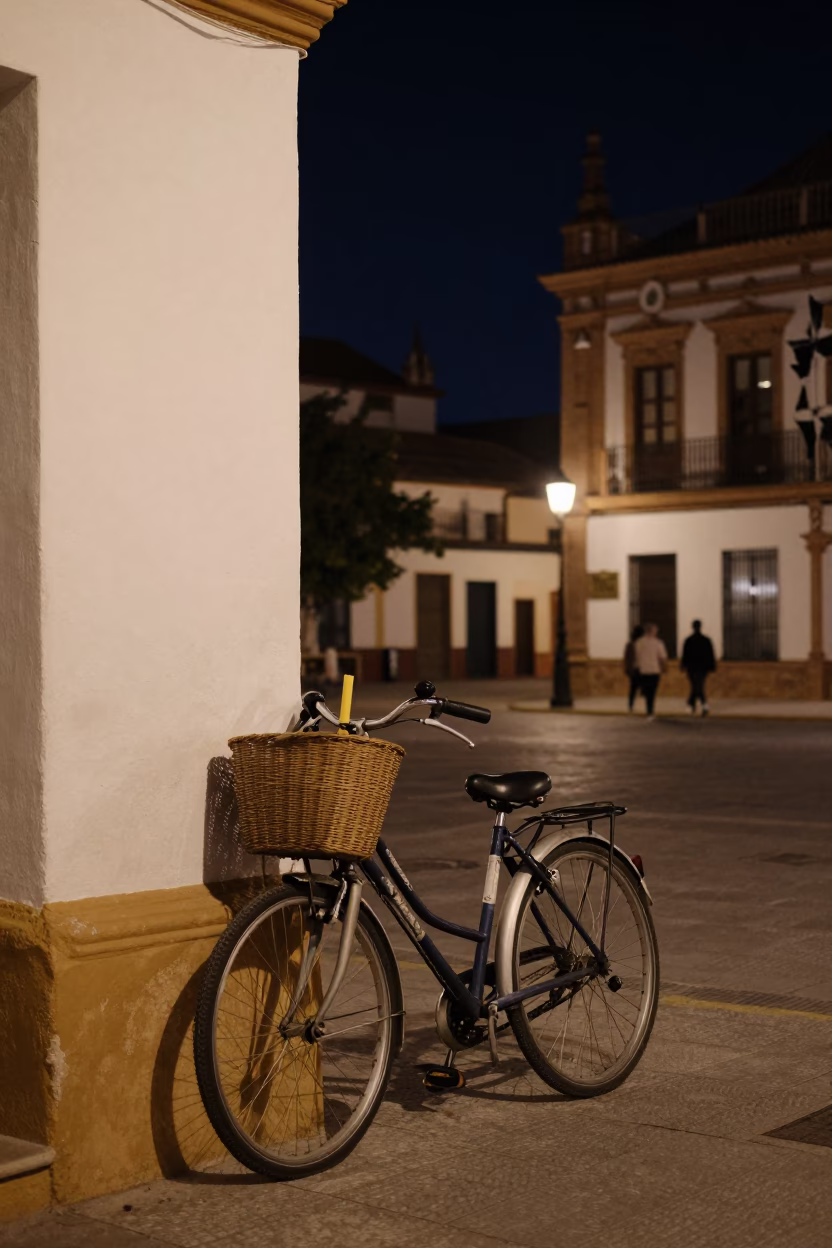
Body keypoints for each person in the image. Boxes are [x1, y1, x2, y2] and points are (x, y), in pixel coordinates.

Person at [681, 619, 716, 716]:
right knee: (698, 686)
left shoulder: (688, 640)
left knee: (696, 686)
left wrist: (683, 666)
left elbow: (685, 655)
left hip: (692, 667)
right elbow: (710, 654)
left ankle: (692, 705)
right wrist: (712, 666)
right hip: (702, 667)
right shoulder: (706, 640)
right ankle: (702, 705)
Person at [633, 622, 667, 720]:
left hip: (643, 670)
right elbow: (662, 657)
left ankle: (649, 710)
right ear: (652, 631)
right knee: (652, 691)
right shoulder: (658, 643)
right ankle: (650, 711)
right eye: (655, 630)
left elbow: (636, 657)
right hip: (654, 670)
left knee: (647, 691)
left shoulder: (638, 642)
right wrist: (664, 667)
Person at [623, 625, 644, 712]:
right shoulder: (640, 644)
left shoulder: (630, 644)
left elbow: (626, 658)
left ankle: (631, 705)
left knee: (633, 688)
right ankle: (635, 704)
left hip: (635, 669)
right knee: (638, 687)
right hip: (641, 668)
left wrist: (627, 669)